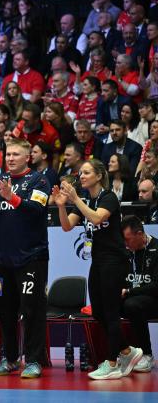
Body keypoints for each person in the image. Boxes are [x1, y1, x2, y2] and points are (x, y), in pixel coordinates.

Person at [54, 159, 143, 380]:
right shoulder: (84, 200)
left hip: (115, 261)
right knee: (98, 312)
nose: (81, 176)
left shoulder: (109, 197)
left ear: (99, 176)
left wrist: (75, 199)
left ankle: (112, 363)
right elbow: (66, 226)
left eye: (86, 172)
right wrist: (62, 206)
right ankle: (127, 351)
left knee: (111, 312)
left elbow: (96, 217)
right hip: (98, 261)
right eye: (81, 173)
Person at [0, 138, 51, 378]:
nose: (10, 158)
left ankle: (33, 360)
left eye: (15, 154)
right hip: (4, 259)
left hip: (32, 257)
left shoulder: (39, 180)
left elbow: (36, 211)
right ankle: (9, 359)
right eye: (8, 154)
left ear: (27, 157)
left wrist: (11, 197)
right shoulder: (2, 181)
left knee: (32, 310)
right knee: (5, 311)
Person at [121, 215, 158, 373]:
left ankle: (147, 355)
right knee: (105, 306)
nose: (125, 243)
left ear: (139, 234)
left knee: (132, 305)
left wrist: (129, 291)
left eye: (128, 239)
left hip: (154, 300)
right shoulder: (126, 252)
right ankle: (121, 352)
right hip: (133, 297)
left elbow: (156, 286)